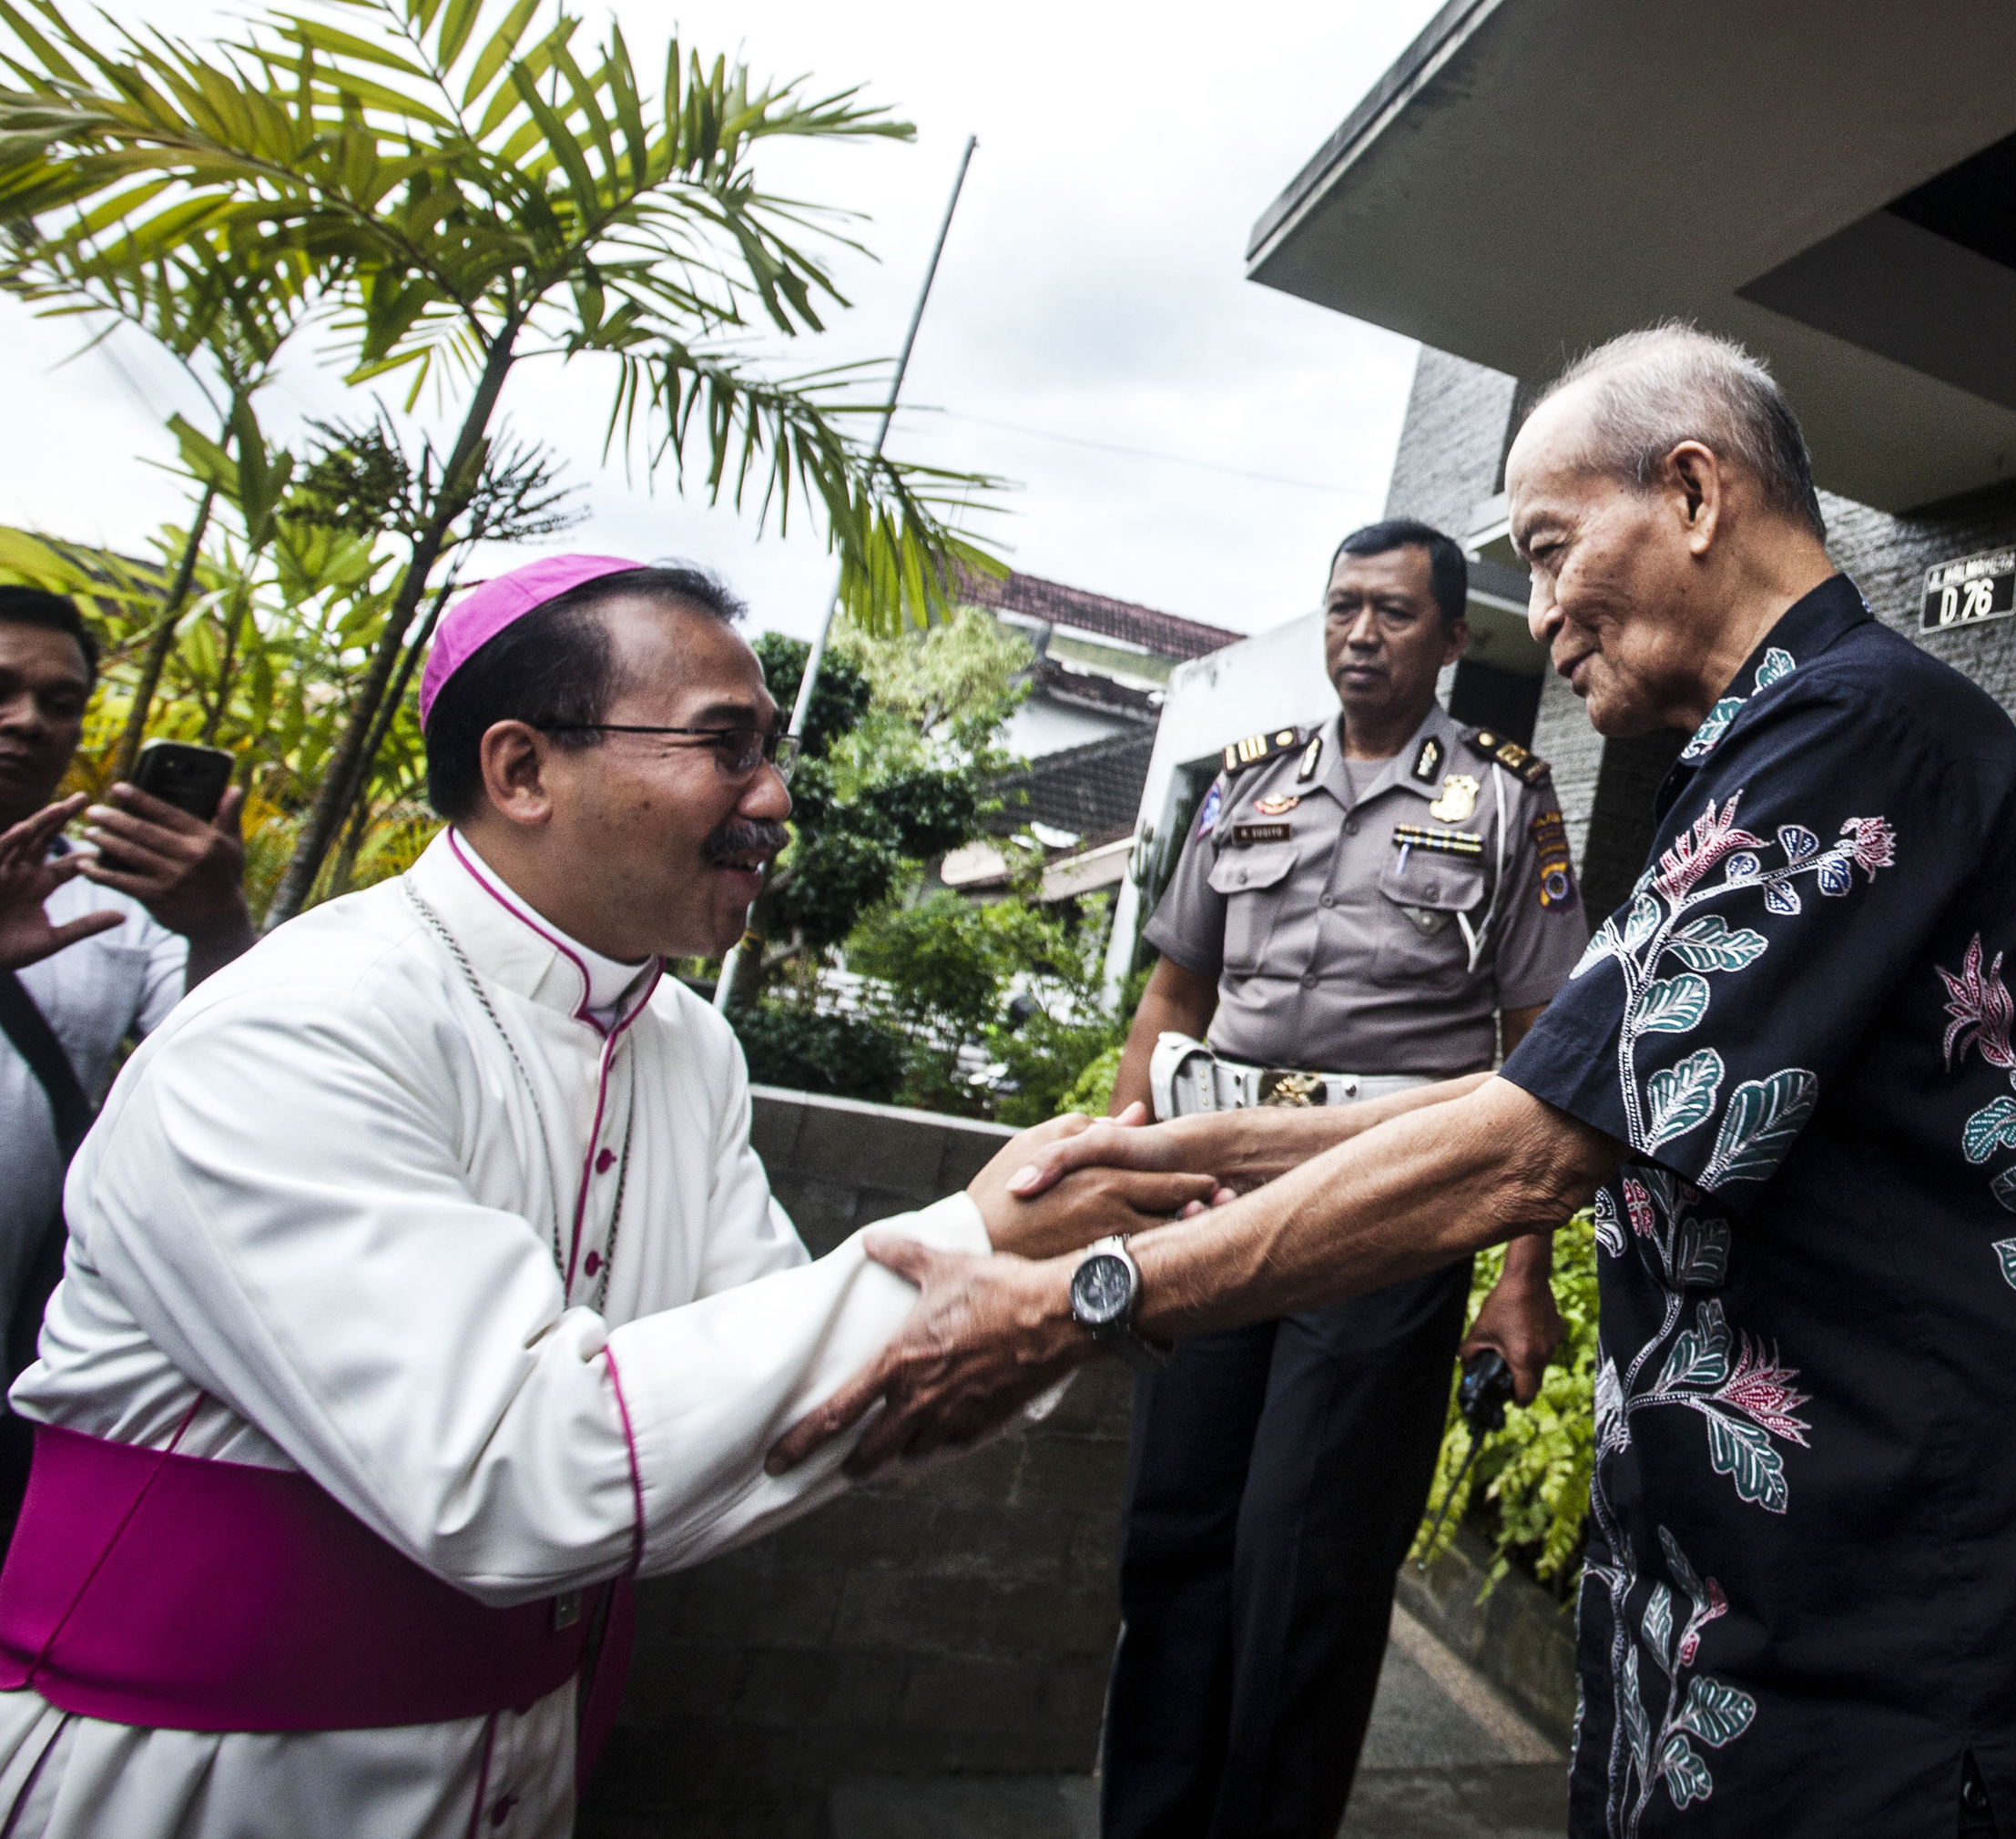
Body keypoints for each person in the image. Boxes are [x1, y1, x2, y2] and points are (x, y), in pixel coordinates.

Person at [776, 326, 2016, 1837]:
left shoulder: (1863, 725)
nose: (1537, 612)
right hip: (1803, 1597)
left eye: (1545, 549)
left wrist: (1085, 1298)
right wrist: (1173, 1158)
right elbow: (1574, 1084)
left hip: (1924, 1623)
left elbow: (1537, 1146)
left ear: (1689, 490)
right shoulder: (1776, 741)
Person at [0, 555, 1220, 1839]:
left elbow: (806, 1389)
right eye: (724, 747)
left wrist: (1063, 1290)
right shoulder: (299, 1027)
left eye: (772, 747)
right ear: (521, 769)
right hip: (194, 1775)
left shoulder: (683, 1045)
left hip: (512, 1759)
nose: (775, 798)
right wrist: (980, 1240)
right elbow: (505, 1468)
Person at [1103, 518, 1587, 1838]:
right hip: (1217, 1198)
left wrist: (1518, 1275)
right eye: (1339, 610)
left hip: (1386, 1212)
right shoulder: (1245, 784)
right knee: (1176, 1533)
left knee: (1306, 1566)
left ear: (1447, 638)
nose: (1357, 635)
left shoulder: (1502, 796)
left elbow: (1543, 1050)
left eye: (1388, 613)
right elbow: (1171, 993)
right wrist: (1118, 1174)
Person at [0, 586, 255, 1533]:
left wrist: (218, 924)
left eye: (59, 703)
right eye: (4, 690)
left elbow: (226, 1069)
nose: (29, 722)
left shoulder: (106, 906)